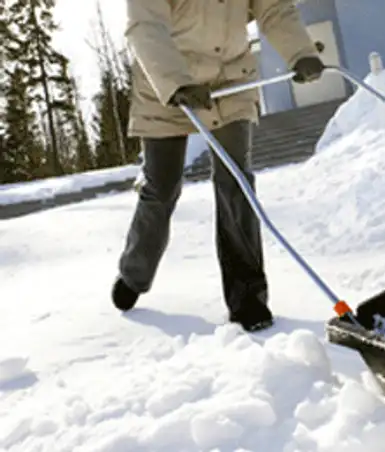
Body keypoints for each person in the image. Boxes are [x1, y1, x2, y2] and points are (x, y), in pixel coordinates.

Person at [112, 0, 325, 332]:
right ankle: (134, 273)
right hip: (165, 85)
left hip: (229, 81)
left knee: (235, 181)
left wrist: (300, 52)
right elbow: (145, 25)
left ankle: (248, 297)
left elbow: (274, 9)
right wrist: (176, 82)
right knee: (162, 187)